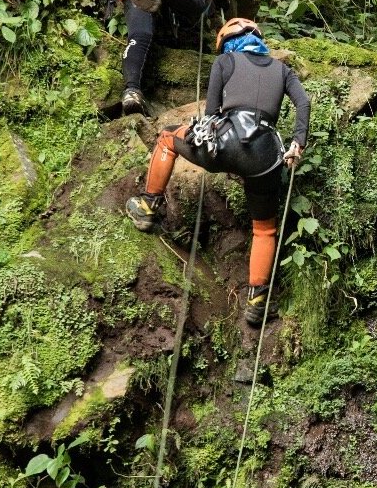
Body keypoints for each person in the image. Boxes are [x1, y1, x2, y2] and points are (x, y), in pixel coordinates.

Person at [125, 19, 309, 324]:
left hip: (225, 141)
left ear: (226, 43)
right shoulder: (282, 70)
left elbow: (212, 114)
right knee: (264, 229)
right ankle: (258, 299)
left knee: (168, 139)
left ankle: (148, 206)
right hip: (265, 155)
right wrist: (297, 143)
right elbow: (303, 102)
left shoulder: (225, 60)